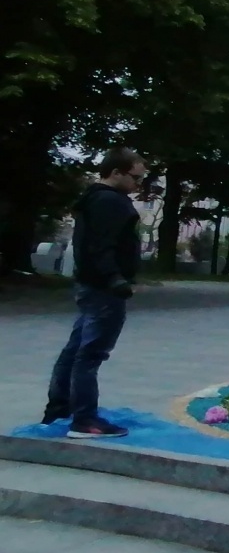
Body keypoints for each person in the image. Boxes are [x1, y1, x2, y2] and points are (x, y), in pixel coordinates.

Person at [44, 147, 147, 438]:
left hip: (92, 285)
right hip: (103, 288)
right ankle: (84, 420)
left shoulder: (95, 198)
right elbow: (101, 245)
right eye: (135, 178)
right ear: (116, 172)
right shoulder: (109, 202)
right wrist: (116, 279)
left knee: (76, 349)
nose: (138, 185)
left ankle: (59, 410)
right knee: (91, 354)